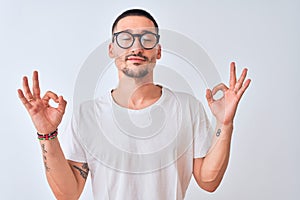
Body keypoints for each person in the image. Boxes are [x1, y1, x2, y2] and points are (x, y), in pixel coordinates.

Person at [17, 9, 251, 200]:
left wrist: (225, 123)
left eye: (146, 39)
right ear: (112, 49)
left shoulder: (187, 107)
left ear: (157, 51)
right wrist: (46, 134)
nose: (136, 47)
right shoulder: (87, 115)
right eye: (126, 38)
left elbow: (208, 182)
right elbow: (68, 194)